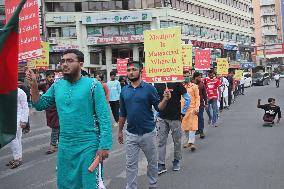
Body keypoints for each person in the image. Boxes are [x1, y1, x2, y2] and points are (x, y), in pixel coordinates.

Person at [26, 49, 112, 189]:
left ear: (81, 64)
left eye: (70, 61)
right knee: (66, 184)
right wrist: (34, 85)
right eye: (63, 61)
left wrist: (105, 145)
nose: (65, 64)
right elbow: (39, 104)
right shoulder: (57, 85)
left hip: (88, 145)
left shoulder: (93, 85)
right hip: (65, 145)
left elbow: (104, 117)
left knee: (90, 184)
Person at [118, 61, 171, 189]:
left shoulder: (149, 89)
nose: (131, 72)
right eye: (129, 70)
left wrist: (165, 99)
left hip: (148, 133)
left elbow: (158, 108)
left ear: (140, 71)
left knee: (152, 163)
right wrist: (120, 131)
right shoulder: (124, 91)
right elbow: (122, 113)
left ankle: (152, 185)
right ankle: (131, 187)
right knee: (130, 165)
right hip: (131, 134)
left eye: (134, 69)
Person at [154, 82, 191, 175]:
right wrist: (156, 114)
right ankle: (161, 164)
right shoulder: (157, 83)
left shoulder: (178, 83)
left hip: (175, 118)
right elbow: (154, 101)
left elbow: (187, 98)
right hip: (162, 118)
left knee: (177, 141)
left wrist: (183, 112)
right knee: (161, 141)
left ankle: (176, 161)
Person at [6, 88, 29, 169]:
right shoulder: (5, 91)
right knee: (17, 139)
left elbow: (25, 107)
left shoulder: (20, 92)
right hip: (9, 119)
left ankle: (17, 158)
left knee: (13, 138)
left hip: (18, 118)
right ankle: (18, 157)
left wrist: (24, 120)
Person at [38, 71, 60, 154]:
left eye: (53, 77)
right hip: (49, 110)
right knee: (57, 128)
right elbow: (35, 88)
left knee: (56, 128)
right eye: (50, 77)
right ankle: (60, 143)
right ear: (46, 77)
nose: (52, 78)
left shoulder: (57, 85)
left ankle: (53, 146)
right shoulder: (44, 85)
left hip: (57, 110)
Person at [182, 72, 200, 151]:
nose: (186, 77)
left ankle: (191, 143)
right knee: (185, 127)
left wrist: (197, 108)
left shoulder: (194, 86)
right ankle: (188, 141)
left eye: (187, 76)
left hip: (192, 109)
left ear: (190, 77)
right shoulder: (180, 86)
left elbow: (197, 98)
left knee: (192, 126)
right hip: (183, 110)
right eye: (184, 76)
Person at [193, 72, 207, 139]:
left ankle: (201, 131)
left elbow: (205, 95)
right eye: (199, 77)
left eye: (200, 77)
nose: (200, 78)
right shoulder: (191, 84)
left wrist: (206, 103)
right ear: (195, 77)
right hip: (192, 104)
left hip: (200, 104)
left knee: (200, 117)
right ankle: (196, 130)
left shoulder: (202, 85)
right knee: (194, 118)